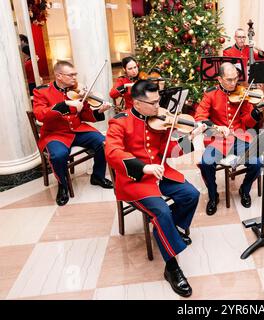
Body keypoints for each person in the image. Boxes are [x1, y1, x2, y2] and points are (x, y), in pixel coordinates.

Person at [105, 80, 205, 297]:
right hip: (135, 181)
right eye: (153, 103)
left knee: (191, 194)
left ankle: (167, 229)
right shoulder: (119, 122)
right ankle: (172, 268)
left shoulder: (157, 121)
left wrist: (190, 139)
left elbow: (170, 151)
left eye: (158, 100)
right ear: (137, 103)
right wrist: (144, 167)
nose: (159, 106)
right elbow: (112, 153)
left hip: (161, 172)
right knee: (162, 211)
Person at [32, 60, 113, 206]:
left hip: (78, 129)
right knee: (58, 155)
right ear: (59, 76)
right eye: (71, 75)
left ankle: (97, 176)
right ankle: (62, 185)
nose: (75, 78)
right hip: (55, 133)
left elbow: (85, 115)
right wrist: (65, 104)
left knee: (104, 142)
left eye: (75, 74)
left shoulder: (76, 91)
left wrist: (99, 111)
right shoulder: (42, 91)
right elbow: (39, 114)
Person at [194, 62, 264, 215]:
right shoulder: (211, 94)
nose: (234, 83)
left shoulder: (243, 93)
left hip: (240, 137)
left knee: (258, 162)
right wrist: (215, 127)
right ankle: (213, 196)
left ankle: (244, 189)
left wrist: (256, 111)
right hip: (218, 140)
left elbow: (247, 121)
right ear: (219, 79)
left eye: (236, 78)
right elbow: (200, 117)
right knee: (205, 163)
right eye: (229, 79)